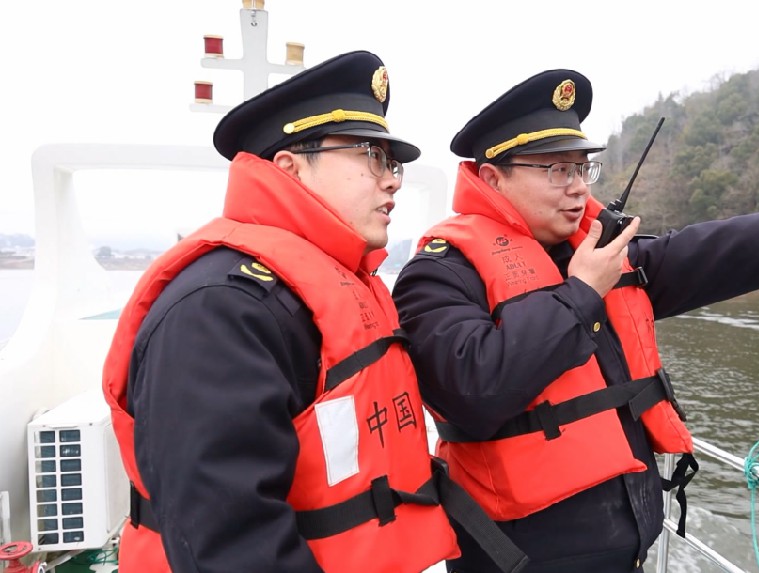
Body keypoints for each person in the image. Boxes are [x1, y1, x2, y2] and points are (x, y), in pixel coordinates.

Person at [390, 68, 759, 573]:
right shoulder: (441, 272)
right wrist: (580, 295)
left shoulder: (602, 253)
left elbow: (713, 252)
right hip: (516, 559)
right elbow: (471, 391)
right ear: (493, 176)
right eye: (556, 169)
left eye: (582, 167)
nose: (579, 186)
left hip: (628, 551)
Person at [102, 51, 526, 573]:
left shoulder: (327, 287)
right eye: (372, 156)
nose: (393, 180)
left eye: (392, 163)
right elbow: (230, 543)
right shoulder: (221, 308)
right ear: (290, 167)